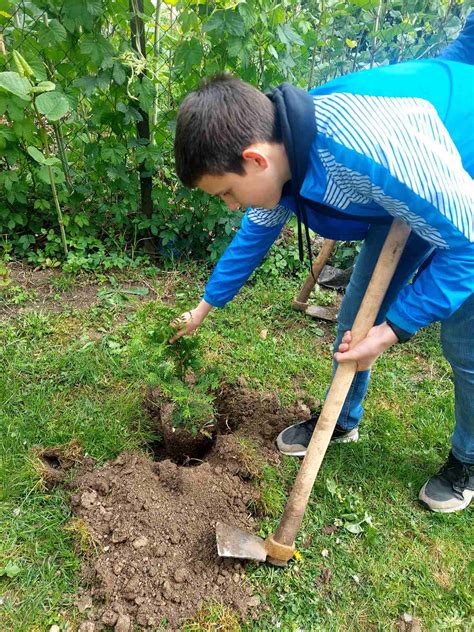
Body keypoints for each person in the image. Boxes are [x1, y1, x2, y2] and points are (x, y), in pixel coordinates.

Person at [171, 15, 474, 513]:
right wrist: (203, 308)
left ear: (255, 159)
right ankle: (342, 419)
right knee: (355, 322)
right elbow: (255, 234)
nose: (230, 205)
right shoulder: (283, 145)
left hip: (464, 185)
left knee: (464, 342)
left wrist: (397, 326)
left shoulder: (365, 147)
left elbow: (465, 243)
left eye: (227, 192)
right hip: (403, 199)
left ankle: (467, 458)